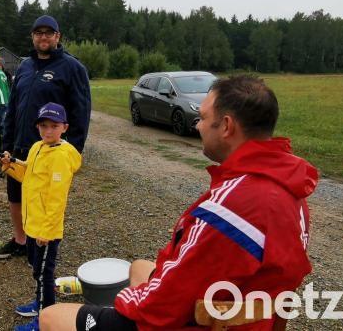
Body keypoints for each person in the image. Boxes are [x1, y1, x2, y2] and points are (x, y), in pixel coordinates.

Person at [40, 75, 318, 331]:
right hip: (249, 314)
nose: (197, 125)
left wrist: (124, 301)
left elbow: (163, 305)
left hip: (195, 321)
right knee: (138, 266)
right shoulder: (291, 189)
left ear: (227, 126)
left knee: (51, 317)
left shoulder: (232, 207)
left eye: (203, 117)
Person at [0, 15, 91, 259]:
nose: (43, 37)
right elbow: (13, 108)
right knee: (16, 195)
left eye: (49, 33)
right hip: (19, 145)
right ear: (33, 37)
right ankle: (20, 240)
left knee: (46, 200)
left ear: (58, 37)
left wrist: (72, 151)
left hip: (51, 149)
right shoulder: (25, 67)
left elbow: (81, 113)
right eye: (39, 32)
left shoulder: (73, 68)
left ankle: (42, 246)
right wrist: (5, 144)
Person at [0, 102, 82, 331]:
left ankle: (45, 321)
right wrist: (9, 165)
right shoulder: (37, 147)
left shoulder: (61, 157)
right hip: (32, 225)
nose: (48, 130)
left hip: (46, 231)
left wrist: (46, 232)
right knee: (36, 269)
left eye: (54, 126)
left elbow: (57, 200)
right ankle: (40, 304)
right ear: (37, 127)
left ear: (64, 128)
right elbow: (27, 173)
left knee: (45, 274)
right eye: (43, 125)